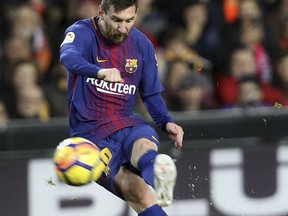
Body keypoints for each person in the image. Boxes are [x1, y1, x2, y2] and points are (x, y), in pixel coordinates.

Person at [59, 1, 184, 216]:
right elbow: (67, 56)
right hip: (91, 137)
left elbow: (151, 93)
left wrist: (166, 121)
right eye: (116, 20)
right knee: (140, 195)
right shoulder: (81, 32)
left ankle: (159, 179)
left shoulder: (142, 44)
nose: (122, 28)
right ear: (101, 13)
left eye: (129, 21)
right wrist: (98, 72)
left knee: (144, 145)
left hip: (126, 122)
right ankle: (154, 177)